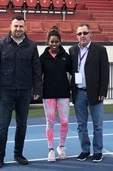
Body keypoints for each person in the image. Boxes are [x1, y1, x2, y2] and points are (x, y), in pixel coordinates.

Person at [0, 15, 42, 169]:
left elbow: (36, 69)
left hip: (25, 91)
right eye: (16, 26)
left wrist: (37, 89)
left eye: (21, 26)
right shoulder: (0, 44)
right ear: (10, 27)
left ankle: (18, 154)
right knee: (3, 125)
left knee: (22, 124)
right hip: (6, 91)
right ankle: (0, 156)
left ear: (25, 27)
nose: (18, 29)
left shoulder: (32, 46)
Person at [69, 23, 109, 163]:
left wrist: (103, 91)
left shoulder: (100, 50)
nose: (82, 36)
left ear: (90, 34)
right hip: (78, 92)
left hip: (95, 92)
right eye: (79, 34)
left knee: (97, 125)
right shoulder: (72, 50)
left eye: (85, 33)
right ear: (76, 36)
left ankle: (98, 151)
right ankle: (85, 150)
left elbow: (105, 72)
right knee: (81, 125)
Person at [40, 26, 72, 162]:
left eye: (56, 42)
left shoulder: (66, 57)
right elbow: (37, 75)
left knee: (64, 122)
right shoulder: (42, 58)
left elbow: (73, 73)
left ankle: (61, 146)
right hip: (48, 94)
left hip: (63, 94)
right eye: (51, 42)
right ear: (48, 42)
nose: (54, 44)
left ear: (60, 42)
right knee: (50, 121)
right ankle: (51, 149)